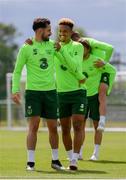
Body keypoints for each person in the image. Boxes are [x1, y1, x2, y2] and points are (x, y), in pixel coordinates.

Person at [12, 17, 64, 171]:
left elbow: (65, 60)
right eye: (48, 30)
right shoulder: (26, 47)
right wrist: (15, 90)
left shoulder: (53, 46)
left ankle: (55, 161)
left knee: (53, 127)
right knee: (33, 127)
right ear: (40, 30)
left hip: (50, 92)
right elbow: (17, 71)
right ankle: (30, 162)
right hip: (33, 93)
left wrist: (61, 49)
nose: (51, 33)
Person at [71, 32, 114, 160]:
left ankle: (95, 153)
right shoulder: (74, 61)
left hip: (94, 95)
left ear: (88, 48)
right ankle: (79, 153)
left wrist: (104, 64)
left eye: (82, 48)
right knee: (80, 126)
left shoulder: (95, 57)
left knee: (97, 127)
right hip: (82, 96)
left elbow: (112, 69)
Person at [54, 18, 87, 170]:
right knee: (65, 129)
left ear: (71, 32)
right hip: (61, 94)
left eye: (65, 32)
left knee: (78, 125)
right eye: (60, 31)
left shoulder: (78, 47)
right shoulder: (54, 47)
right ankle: (69, 156)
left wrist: (61, 52)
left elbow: (74, 67)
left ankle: (74, 159)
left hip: (78, 92)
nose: (62, 34)